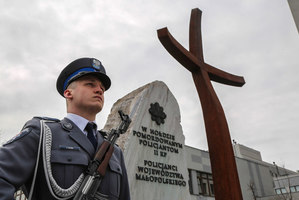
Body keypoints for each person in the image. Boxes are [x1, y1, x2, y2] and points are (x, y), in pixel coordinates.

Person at [0, 57, 130, 200]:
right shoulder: (42, 133)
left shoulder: (115, 152)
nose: (99, 90)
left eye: (102, 88)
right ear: (68, 93)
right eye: (90, 84)